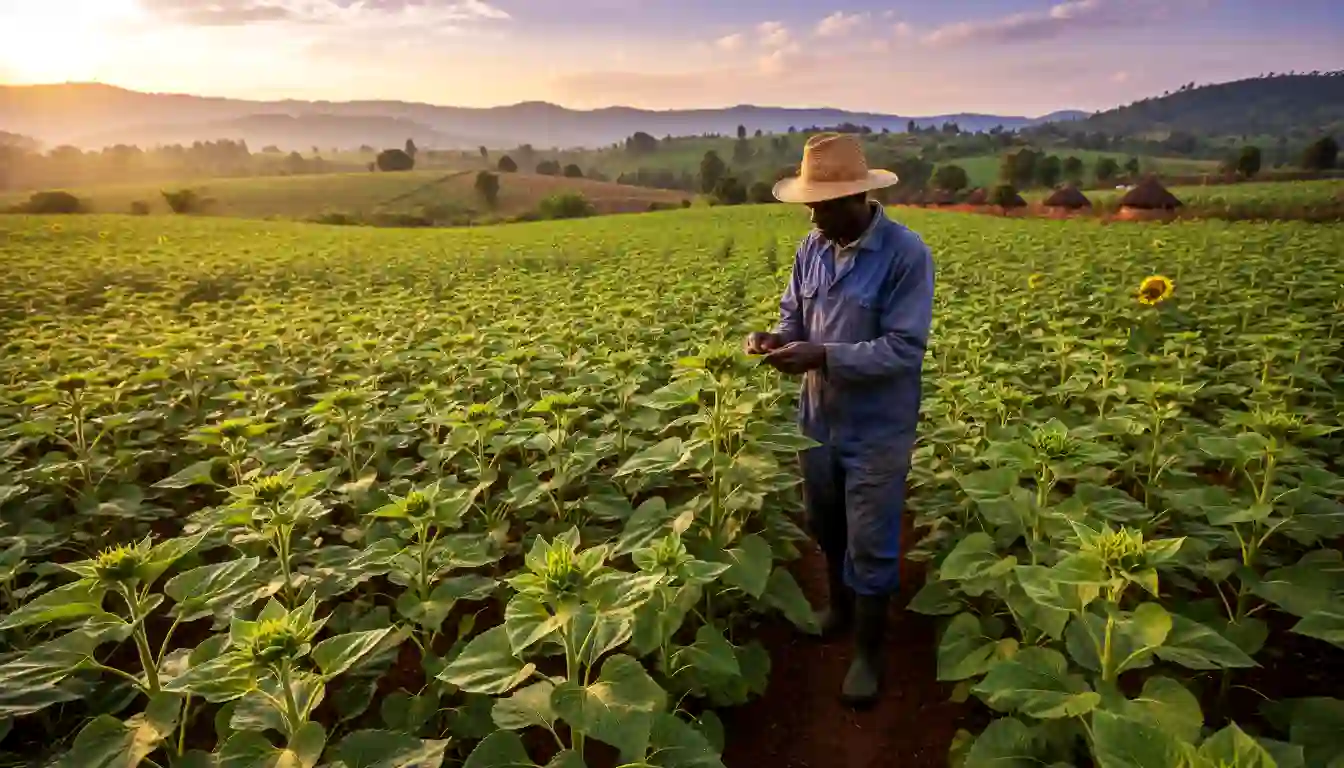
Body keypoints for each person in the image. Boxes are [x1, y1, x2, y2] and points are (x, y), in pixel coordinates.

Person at [745, 132, 934, 708]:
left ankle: (870, 653)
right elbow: (794, 316)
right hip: (819, 418)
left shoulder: (905, 254)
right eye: (810, 205)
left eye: (822, 205)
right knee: (825, 522)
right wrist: (775, 340)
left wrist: (824, 355)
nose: (813, 216)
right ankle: (840, 609)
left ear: (857, 199)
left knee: (871, 540)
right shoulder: (813, 247)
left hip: (877, 425)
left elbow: (904, 348)